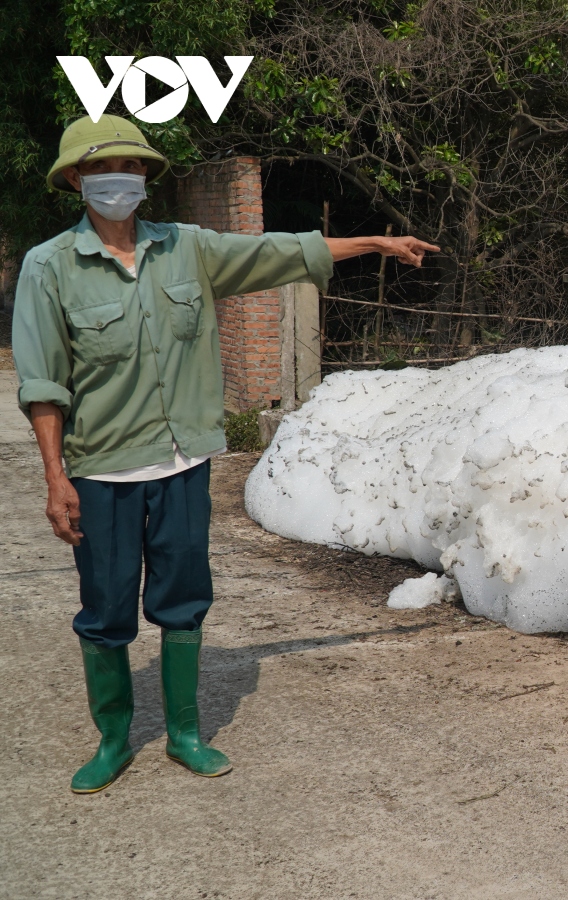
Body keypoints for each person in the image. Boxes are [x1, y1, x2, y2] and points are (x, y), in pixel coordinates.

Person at [12, 114, 439, 794]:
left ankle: (184, 732)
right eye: (99, 170)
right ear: (74, 180)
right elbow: (42, 383)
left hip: (182, 462)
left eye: (129, 167)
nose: (116, 180)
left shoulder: (187, 249)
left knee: (184, 599)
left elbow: (278, 252)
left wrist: (375, 242)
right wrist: (56, 477)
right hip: (101, 471)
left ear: (146, 176)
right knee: (106, 606)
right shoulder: (48, 267)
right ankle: (114, 736)